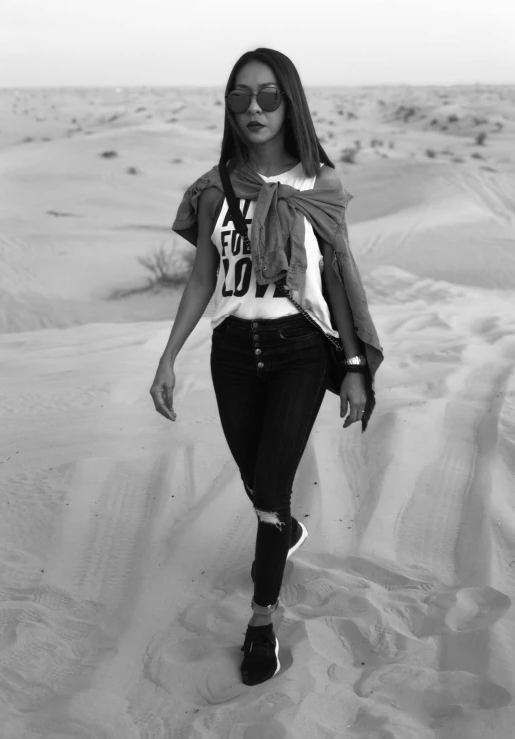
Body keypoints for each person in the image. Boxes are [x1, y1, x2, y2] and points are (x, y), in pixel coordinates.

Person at [149, 48, 384, 686]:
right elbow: (203, 276)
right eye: (240, 97)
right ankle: (288, 530)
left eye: (269, 96)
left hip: (300, 352)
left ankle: (261, 620)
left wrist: (355, 365)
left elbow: (337, 277)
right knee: (259, 485)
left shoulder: (321, 185)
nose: (253, 109)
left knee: (271, 490)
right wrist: (169, 355)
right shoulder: (214, 189)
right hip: (232, 354)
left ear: (291, 103)